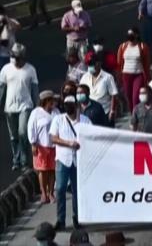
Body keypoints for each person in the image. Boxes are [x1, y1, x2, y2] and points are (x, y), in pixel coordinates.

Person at [49, 94, 91, 231]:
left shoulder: (85, 121)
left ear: (76, 106)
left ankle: (77, 217)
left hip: (78, 160)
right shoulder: (58, 120)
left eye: (71, 105)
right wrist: (68, 143)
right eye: (66, 105)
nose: (68, 107)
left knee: (77, 190)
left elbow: (91, 137)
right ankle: (61, 220)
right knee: (60, 189)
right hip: (63, 159)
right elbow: (53, 138)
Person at [0, 43, 39, 170]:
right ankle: (16, 160)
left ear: (23, 57)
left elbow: (34, 90)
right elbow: (2, 89)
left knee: (22, 133)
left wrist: (37, 108)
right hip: (10, 107)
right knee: (13, 136)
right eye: (13, 57)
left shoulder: (30, 70)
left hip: (25, 106)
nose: (15, 60)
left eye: (17, 57)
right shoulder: (6, 69)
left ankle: (23, 160)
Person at [27, 90, 58, 203]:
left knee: (52, 170)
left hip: (54, 146)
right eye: (52, 101)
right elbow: (31, 128)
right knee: (43, 171)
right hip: (41, 146)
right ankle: (43, 193)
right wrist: (33, 143)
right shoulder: (36, 113)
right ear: (46, 101)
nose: (54, 103)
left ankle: (51, 193)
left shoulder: (56, 112)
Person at [116, 27, 152, 113]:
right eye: (128, 34)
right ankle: (134, 116)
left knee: (135, 98)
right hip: (126, 75)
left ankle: (138, 114)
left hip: (138, 75)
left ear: (136, 35)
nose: (129, 36)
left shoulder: (143, 46)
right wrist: (118, 78)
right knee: (129, 98)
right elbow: (119, 63)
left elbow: (147, 64)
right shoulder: (123, 46)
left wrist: (148, 78)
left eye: (131, 34)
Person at [78, 55, 118, 122]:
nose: (90, 66)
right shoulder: (84, 77)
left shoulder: (108, 77)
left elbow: (114, 95)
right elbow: (80, 92)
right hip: (88, 113)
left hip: (104, 112)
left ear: (99, 63)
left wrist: (112, 110)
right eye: (89, 64)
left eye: (92, 64)